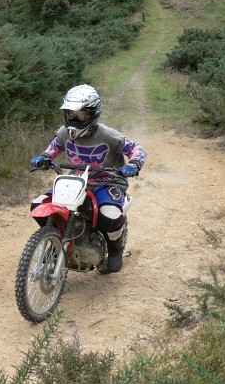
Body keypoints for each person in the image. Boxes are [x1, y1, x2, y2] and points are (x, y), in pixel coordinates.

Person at [30, 84, 146, 273]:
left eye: (81, 114)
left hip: (107, 183)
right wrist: (44, 157)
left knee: (109, 217)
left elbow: (136, 149)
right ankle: (56, 239)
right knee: (37, 205)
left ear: (93, 114)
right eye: (71, 113)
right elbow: (55, 146)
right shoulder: (63, 132)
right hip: (75, 182)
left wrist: (133, 164)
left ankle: (116, 250)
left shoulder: (108, 135)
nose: (75, 119)